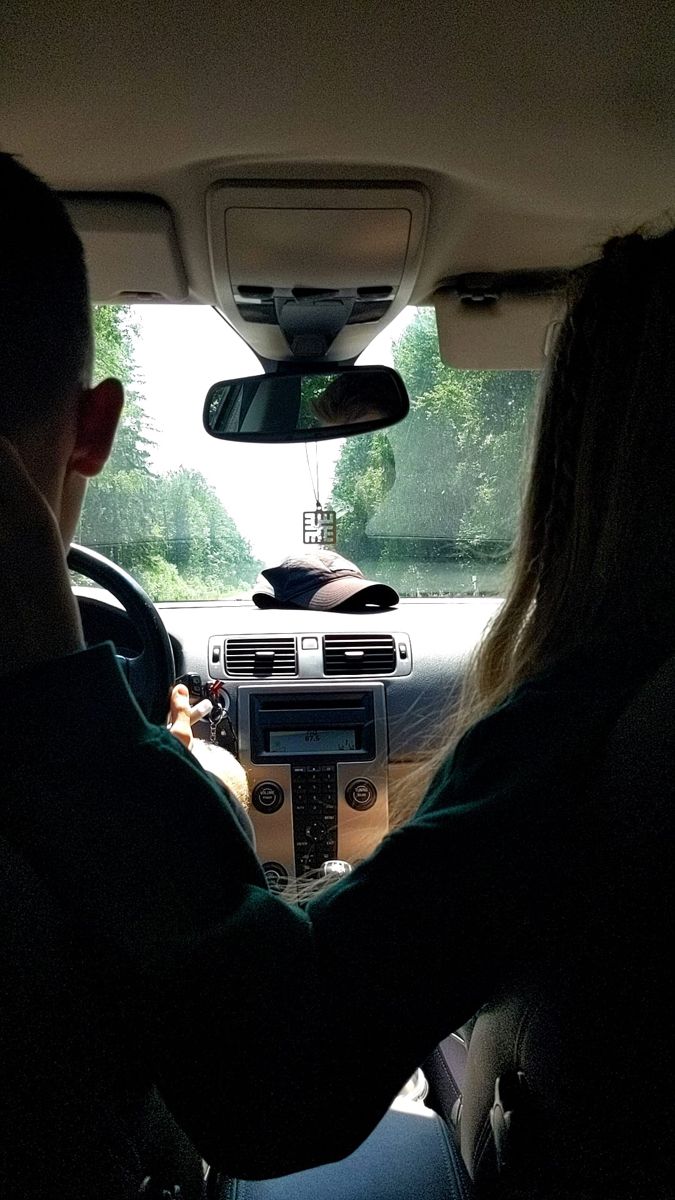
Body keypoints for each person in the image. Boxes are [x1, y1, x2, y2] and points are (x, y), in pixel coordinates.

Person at [1, 151, 674, 1199]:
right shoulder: (616, 723)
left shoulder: (591, 719)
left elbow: (282, 1068)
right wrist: (153, 763)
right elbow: (273, 1081)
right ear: (90, 429)